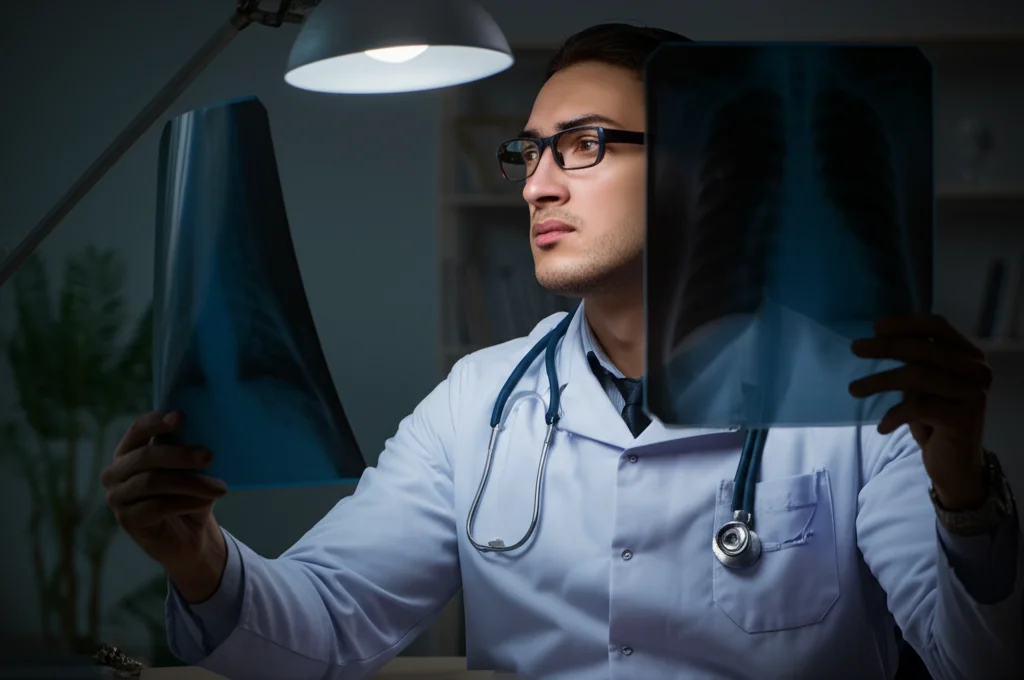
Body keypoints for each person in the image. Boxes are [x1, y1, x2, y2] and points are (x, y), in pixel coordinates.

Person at [101, 23, 1022, 680]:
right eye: (529, 152)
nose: (537, 184)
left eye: (582, 146)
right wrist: (200, 558)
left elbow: (970, 660)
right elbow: (330, 628)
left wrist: (964, 493)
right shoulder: (478, 401)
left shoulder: (865, 396)